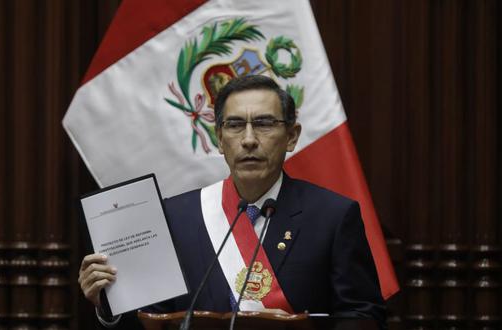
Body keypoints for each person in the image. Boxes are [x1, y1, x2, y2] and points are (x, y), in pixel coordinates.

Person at [78, 75, 386, 328]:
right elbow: (153, 320)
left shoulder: (333, 216)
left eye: (264, 124)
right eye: (235, 125)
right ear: (219, 138)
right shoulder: (177, 217)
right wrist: (110, 308)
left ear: (292, 136)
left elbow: (363, 318)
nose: (249, 139)